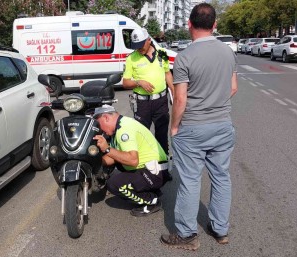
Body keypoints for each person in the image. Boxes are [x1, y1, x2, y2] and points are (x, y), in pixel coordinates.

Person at [160, 3, 238, 251]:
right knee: (221, 177)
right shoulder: (228, 52)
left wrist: (174, 127)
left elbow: (180, 99)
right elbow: (233, 88)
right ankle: (220, 229)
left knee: (190, 181)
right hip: (223, 125)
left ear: (189, 24)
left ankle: (186, 235)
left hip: (193, 127)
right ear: (215, 25)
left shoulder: (185, 56)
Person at [93, 105, 171, 217]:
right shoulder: (120, 126)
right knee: (119, 162)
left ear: (106, 118)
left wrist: (107, 149)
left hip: (155, 173)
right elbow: (113, 157)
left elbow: (133, 160)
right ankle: (149, 190)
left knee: (114, 184)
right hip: (152, 170)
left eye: (99, 125)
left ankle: (151, 201)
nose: (100, 130)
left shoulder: (125, 129)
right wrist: (94, 163)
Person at [122, 28, 174, 156]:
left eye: (141, 45)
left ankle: (163, 168)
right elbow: (125, 83)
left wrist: (174, 91)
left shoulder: (162, 53)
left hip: (161, 101)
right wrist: (139, 82)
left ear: (149, 41)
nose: (138, 48)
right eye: (136, 46)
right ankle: (145, 168)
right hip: (142, 103)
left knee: (161, 135)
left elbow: (167, 73)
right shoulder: (131, 58)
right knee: (142, 135)